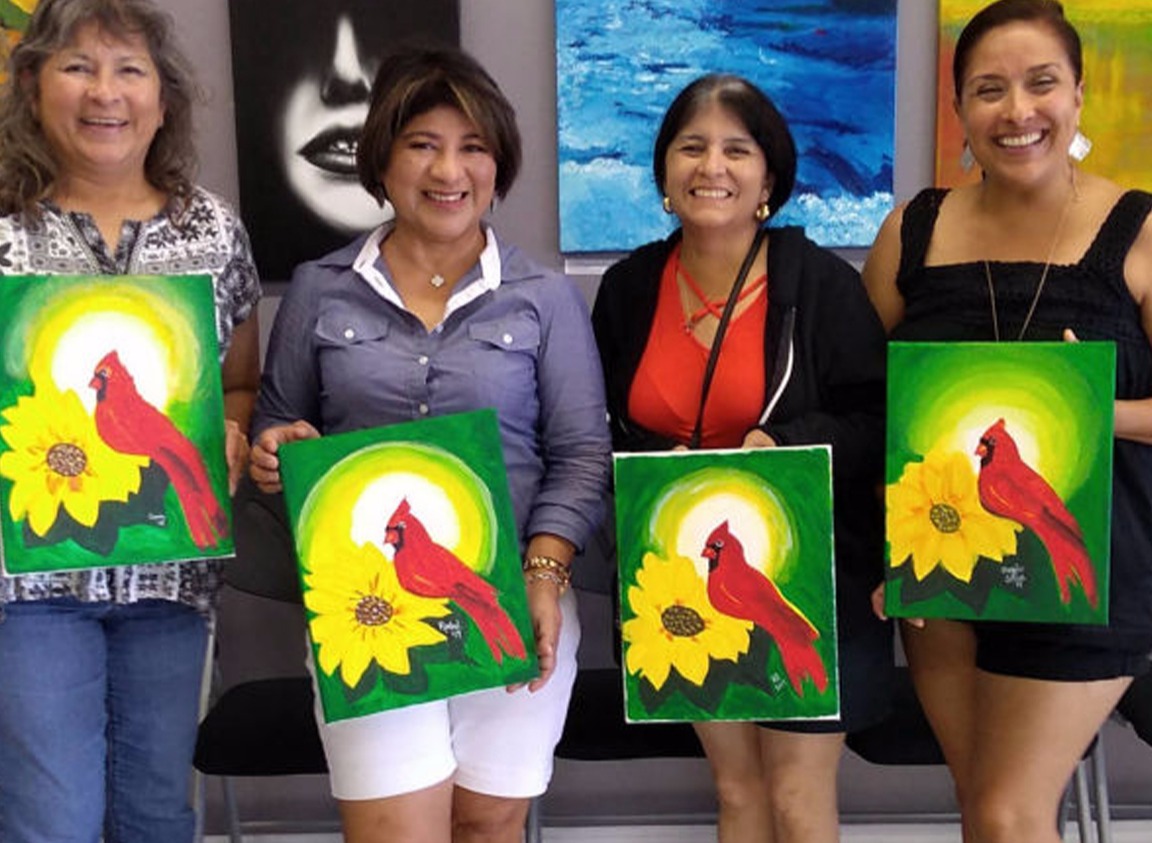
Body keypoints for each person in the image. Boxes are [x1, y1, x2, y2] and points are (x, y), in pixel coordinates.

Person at [249, 45, 611, 843]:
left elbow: (583, 451)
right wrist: (275, 452)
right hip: (367, 611)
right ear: (381, 158)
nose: (449, 169)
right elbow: (277, 427)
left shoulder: (544, 296)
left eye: (473, 147)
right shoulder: (319, 287)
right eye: (423, 144)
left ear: (497, 166)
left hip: (515, 600)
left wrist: (546, 573)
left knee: (487, 826)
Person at [862, 2, 1152, 841]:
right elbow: (860, 398)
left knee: (1004, 812)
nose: (1017, 111)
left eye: (1041, 83)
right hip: (945, 566)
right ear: (960, 110)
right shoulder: (911, 230)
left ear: (1080, 95)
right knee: (984, 806)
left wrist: (1097, 409)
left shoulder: (1136, 231)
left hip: (1086, 573)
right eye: (989, 89)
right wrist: (883, 546)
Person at [593, 73, 893, 843]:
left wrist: (784, 443)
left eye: (736, 148)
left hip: (807, 578)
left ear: (769, 176)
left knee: (795, 794)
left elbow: (879, 419)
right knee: (736, 791)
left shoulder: (820, 284)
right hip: (678, 582)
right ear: (664, 170)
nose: (711, 166)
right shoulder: (628, 289)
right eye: (691, 147)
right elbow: (604, 427)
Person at [0, 0, 261, 840]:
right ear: (34, 85)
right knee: (53, 819)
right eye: (77, 66)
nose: (103, 92)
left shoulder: (213, 230)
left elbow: (241, 381)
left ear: (163, 96)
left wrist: (227, 429)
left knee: (157, 812)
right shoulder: (4, 234)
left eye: (128, 69)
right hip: (30, 591)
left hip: (172, 590)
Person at [229, 0, 458, 279]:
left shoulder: (524, 290)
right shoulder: (311, 292)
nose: (347, 80)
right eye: (310, 33)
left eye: (383, 31)